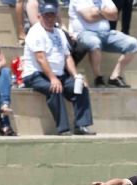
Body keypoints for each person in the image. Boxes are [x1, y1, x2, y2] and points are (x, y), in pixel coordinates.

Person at [22, 2, 96, 135]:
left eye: (52, 16)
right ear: (39, 16)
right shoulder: (35, 32)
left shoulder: (59, 33)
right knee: (54, 89)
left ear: (56, 16)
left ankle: (81, 125)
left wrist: (75, 76)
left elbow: (67, 57)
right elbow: (41, 58)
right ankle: (63, 129)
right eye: (46, 16)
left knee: (80, 87)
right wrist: (52, 78)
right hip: (35, 74)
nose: (50, 19)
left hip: (59, 74)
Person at [69, 0, 137, 88]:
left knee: (133, 43)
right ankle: (98, 78)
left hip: (106, 33)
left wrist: (97, 12)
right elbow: (89, 17)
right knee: (94, 42)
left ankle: (114, 77)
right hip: (85, 33)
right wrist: (105, 12)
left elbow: (114, 16)